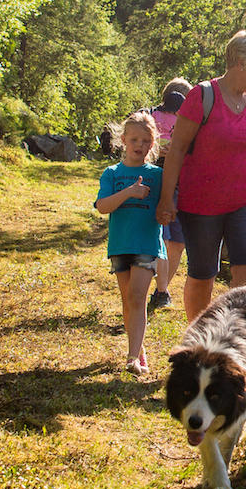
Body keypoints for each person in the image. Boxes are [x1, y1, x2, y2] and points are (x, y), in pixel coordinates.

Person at [157, 31, 246, 323]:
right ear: (240, 62)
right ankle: (200, 341)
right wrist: (165, 200)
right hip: (201, 203)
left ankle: (242, 342)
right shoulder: (202, 96)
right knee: (202, 274)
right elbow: (177, 150)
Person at [96, 111, 166, 376]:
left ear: (152, 144)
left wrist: (168, 212)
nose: (140, 146)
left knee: (138, 297)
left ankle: (132, 357)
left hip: (147, 244)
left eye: (146, 141)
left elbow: (168, 204)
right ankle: (139, 348)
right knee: (128, 301)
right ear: (123, 140)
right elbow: (103, 206)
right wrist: (129, 192)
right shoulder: (112, 173)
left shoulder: (158, 175)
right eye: (134, 139)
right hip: (120, 244)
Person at [148, 76, 195, 313]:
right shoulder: (152, 116)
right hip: (157, 181)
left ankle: (161, 288)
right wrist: (158, 148)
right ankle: (161, 289)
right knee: (164, 238)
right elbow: (137, 141)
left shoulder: (193, 121)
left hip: (183, 184)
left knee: (177, 242)